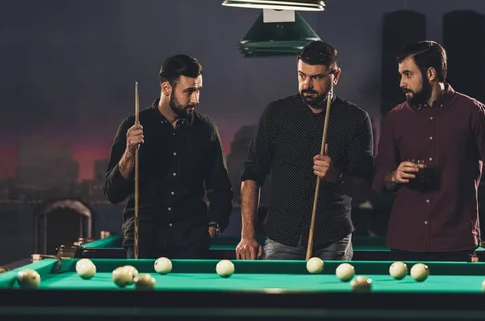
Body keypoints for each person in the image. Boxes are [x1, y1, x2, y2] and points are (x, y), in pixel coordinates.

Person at [372, 41, 485, 261]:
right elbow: (380, 172)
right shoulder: (396, 117)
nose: (401, 83)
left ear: (431, 73)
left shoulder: (474, 112)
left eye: (407, 74)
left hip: (455, 242)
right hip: (405, 240)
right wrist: (393, 175)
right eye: (401, 75)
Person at [236, 40, 374, 260]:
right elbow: (252, 175)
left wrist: (335, 176)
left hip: (333, 238)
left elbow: (364, 189)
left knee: (329, 296)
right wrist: (247, 235)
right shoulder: (276, 113)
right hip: (282, 237)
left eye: (317, 77)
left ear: (335, 76)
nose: (307, 85)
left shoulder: (355, 119)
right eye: (302, 76)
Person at [104, 54, 234, 259]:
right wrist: (129, 153)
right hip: (143, 242)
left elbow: (221, 189)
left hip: (191, 244)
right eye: (189, 91)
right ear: (167, 88)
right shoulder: (133, 125)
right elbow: (113, 193)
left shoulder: (205, 129)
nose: (196, 99)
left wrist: (212, 229)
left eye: (198, 90)